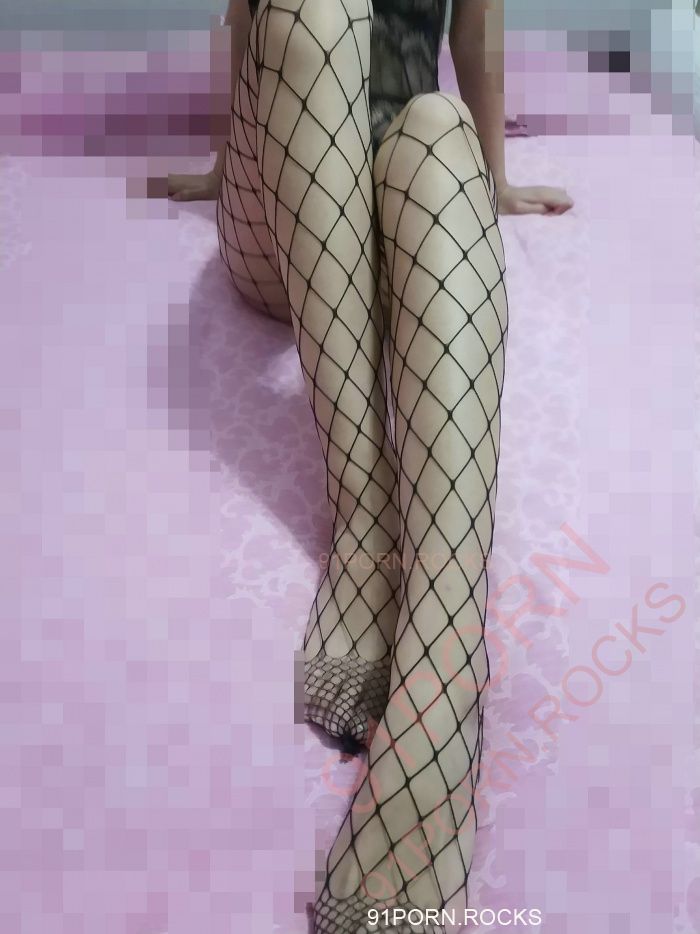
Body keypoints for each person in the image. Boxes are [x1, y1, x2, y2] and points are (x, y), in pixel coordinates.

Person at [172, 1, 573, 930]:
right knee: (316, 11)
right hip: (280, 191)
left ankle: (444, 668)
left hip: (393, 177)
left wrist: (495, 180)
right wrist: (227, 166)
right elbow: (250, 19)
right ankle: (365, 514)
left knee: (438, 128)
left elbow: (473, 26)